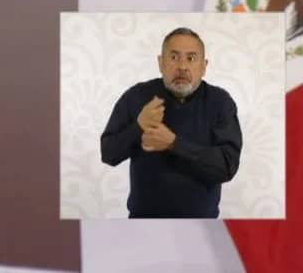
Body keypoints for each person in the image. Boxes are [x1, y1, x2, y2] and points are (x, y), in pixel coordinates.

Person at [100, 27, 242, 218]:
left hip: (201, 222)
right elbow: (108, 154)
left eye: (191, 58)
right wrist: (138, 127)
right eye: (174, 57)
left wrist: (174, 144)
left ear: (203, 66)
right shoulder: (137, 96)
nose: (182, 66)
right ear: (161, 63)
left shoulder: (220, 102)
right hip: (143, 221)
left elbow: (227, 167)